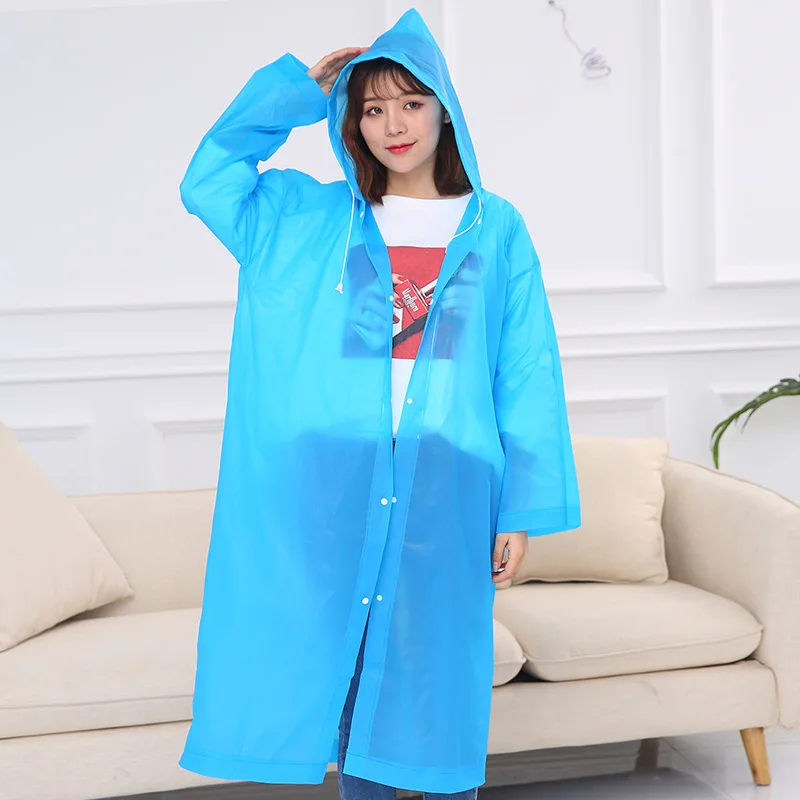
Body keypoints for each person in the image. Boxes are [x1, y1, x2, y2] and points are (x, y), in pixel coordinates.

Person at [177, 8, 581, 800]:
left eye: (411, 103)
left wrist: (518, 508)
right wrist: (298, 93)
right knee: (351, 674)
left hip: (448, 482)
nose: (393, 125)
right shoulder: (308, 218)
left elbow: (525, 369)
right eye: (372, 108)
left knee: (439, 678)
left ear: (445, 110)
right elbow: (208, 181)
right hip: (332, 479)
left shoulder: (494, 226)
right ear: (352, 121)